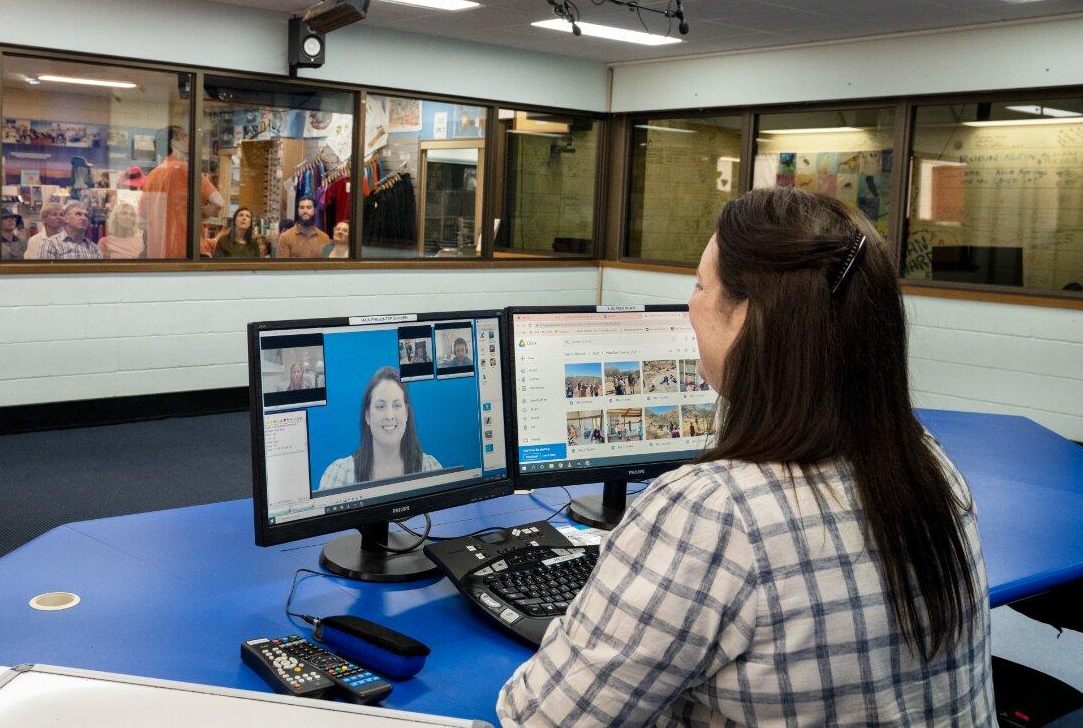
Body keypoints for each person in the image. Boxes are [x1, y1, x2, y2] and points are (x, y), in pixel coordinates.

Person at [499, 187, 991, 726]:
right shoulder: (932, 467)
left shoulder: (713, 512)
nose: (690, 303)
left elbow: (542, 718)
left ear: (747, 318)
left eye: (699, 285)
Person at [318, 366, 442, 489]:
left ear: (407, 413)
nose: (389, 416)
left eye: (397, 405)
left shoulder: (430, 468)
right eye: (380, 406)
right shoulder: (339, 475)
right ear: (367, 416)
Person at [139, 126, 226, 259]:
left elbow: (143, 220)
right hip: (185, 249)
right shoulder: (186, 170)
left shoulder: (152, 175)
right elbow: (219, 202)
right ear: (173, 142)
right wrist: (199, 217)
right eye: (184, 136)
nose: (188, 139)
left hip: (157, 253)